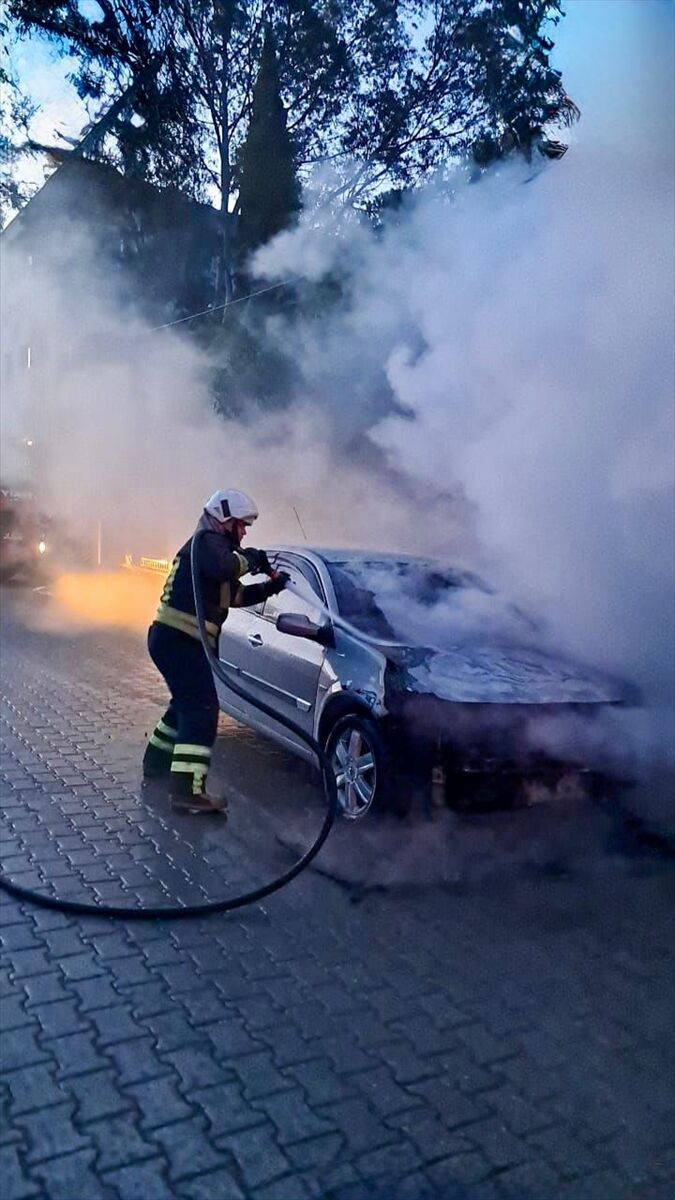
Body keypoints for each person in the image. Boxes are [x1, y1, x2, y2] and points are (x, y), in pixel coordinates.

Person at [143, 489, 288, 814]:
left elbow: (233, 597)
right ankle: (187, 792)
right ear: (226, 520)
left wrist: (270, 588)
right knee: (203, 709)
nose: (245, 532)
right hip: (181, 640)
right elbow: (225, 567)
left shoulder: (211, 549)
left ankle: (156, 763)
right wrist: (252, 559)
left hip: (174, 640)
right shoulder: (207, 542)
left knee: (184, 704)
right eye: (242, 525)